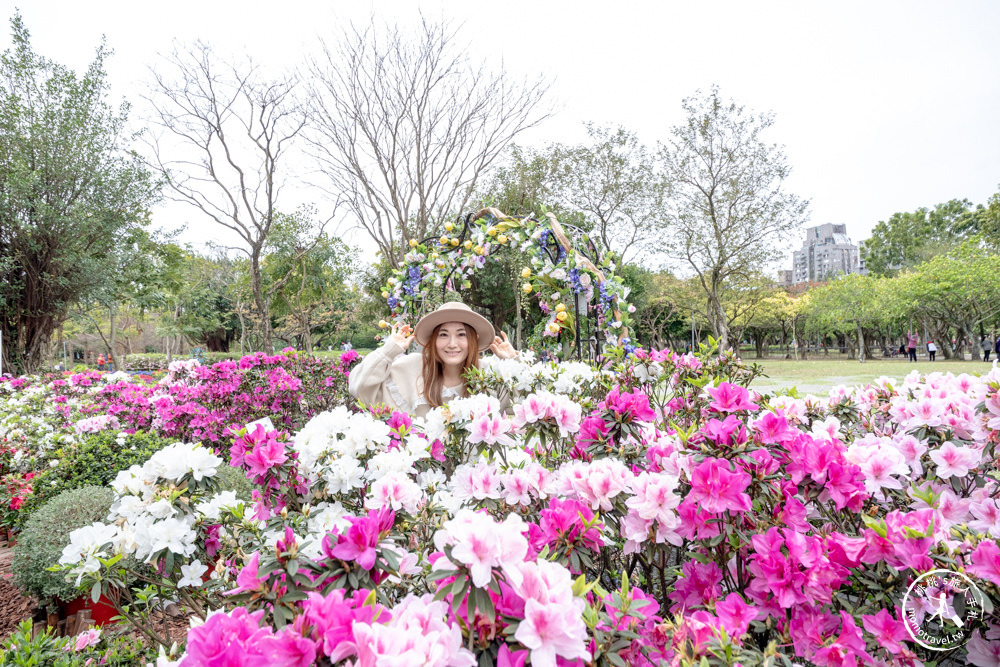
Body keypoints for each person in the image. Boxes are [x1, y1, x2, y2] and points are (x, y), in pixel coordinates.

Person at [348, 301, 518, 418]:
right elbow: (359, 388)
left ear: (473, 340)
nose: (452, 344)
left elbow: (523, 405)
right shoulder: (411, 367)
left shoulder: (489, 373)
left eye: (461, 335)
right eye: (443, 335)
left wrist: (514, 363)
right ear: (433, 340)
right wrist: (389, 350)